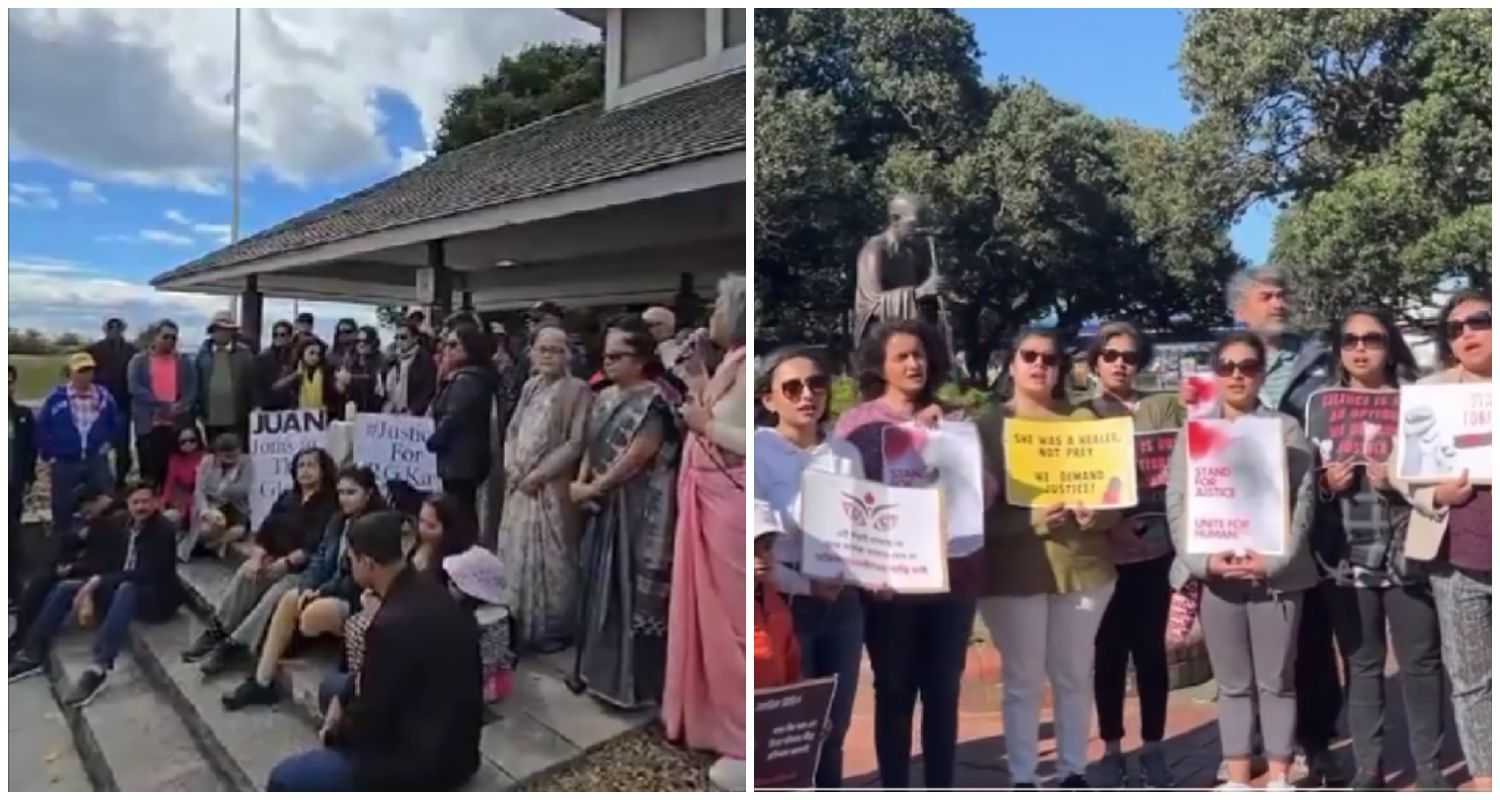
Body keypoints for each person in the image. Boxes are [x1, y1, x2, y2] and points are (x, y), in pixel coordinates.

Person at [1166, 331, 1319, 791]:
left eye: (1248, 366)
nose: (1237, 375)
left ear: (1259, 373)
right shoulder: (1194, 435)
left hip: (1275, 577)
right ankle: (1235, 777)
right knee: (1231, 684)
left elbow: (1303, 503)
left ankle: (1278, 775)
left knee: (1277, 681)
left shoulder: (1287, 432)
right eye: (1228, 366)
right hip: (1216, 577)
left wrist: (1273, 562)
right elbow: (1177, 501)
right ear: (1216, 374)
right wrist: (1201, 562)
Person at [836, 320, 981, 789]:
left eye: (919, 354)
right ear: (881, 366)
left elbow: (985, 495)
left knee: (943, 692)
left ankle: (941, 786)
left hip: (951, 580)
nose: (913, 364)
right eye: (901, 357)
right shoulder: (857, 424)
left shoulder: (956, 421)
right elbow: (844, 500)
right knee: (893, 691)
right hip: (890, 587)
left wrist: (945, 444)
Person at [974, 328, 1120, 789]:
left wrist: (1098, 514)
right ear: (1011, 362)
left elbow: (1119, 501)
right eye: (1030, 356)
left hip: (1083, 571)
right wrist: (1032, 520)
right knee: (1022, 680)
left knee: (1074, 674)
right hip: (1012, 572)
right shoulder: (985, 426)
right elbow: (970, 516)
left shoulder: (1087, 422)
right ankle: (1022, 777)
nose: (1040, 365)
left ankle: (1073, 770)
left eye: (1050, 359)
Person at [1312, 308, 1446, 789]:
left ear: (1391, 346)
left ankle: (1430, 768)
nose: (1361, 348)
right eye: (1350, 340)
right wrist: (1327, 482)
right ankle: (1369, 769)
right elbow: (1307, 484)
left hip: (1411, 546)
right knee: (1363, 664)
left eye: (1372, 338)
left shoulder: (1420, 402)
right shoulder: (1321, 405)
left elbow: (1440, 469)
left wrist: (1401, 480)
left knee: (1421, 663)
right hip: (1347, 552)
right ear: (1339, 349)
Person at [1221, 266, 1342, 785]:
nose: (1279, 302)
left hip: (1303, 526)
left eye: (1282, 293)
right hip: (1235, 528)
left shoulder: (1320, 362)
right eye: (1266, 295)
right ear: (1238, 309)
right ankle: (1246, 752)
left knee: (1311, 641)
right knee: (1241, 649)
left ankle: (1317, 744)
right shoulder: (1218, 368)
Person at [266, 510, 483, 791]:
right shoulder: (427, 589)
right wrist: (342, 701)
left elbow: (371, 719)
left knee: (284, 779)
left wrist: (334, 733)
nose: (350, 566)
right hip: (449, 732)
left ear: (367, 563)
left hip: (426, 765)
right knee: (332, 688)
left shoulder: (389, 625)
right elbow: (371, 679)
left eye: (351, 560)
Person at [1391, 288, 1491, 791]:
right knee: (1471, 677)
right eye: (1455, 329)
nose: (1467, 334)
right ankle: (1483, 773)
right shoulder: (1430, 393)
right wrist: (1435, 494)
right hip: (1456, 559)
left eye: (1479, 321)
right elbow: (1401, 471)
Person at [753, 345, 865, 788]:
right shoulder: (758, 450)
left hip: (843, 604)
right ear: (769, 399)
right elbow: (757, 533)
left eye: (817, 384)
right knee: (786, 731)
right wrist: (803, 582)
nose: (807, 395)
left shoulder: (846, 455)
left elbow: (862, 529)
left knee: (833, 726)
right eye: (792, 387)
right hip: (785, 603)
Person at [1084, 322, 1186, 788]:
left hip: (1156, 546)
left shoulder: (1164, 405)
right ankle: (1111, 748)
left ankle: (1154, 746)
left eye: (1128, 355)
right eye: (1110, 355)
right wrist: (1109, 525)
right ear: (1095, 361)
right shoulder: (1080, 413)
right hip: (1105, 552)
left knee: (1150, 654)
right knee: (1107, 654)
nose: (1120, 362)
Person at [568, 315, 682, 708]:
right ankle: (591, 671)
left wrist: (591, 488)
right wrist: (583, 484)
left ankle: (629, 685)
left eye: (618, 356)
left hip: (638, 508)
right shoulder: (603, 396)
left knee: (627, 591)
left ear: (641, 358)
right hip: (601, 505)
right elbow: (589, 444)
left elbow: (637, 456)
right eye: (606, 356)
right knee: (595, 583)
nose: (609, 363)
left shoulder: (655, 400)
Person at [664, 274, 748, 780]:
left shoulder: (747, 364)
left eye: (718, 303)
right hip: (706, 498)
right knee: (706, 612)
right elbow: (709, 409)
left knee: (727, 621)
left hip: (726, 509)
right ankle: (709, 718)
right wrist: (696, 375)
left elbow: (734, 435)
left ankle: (737, 730)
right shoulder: (730, 363)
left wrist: (702, 424)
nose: (712, 312)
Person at [223, 466, 386, 711]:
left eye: (351, 492)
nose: (344, 498)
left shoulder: (377, 527)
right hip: (329, 589)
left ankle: (300, 640)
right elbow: (320, 560)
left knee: (310, 615)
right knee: (291, 597)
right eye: (341, 492)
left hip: (359, 599)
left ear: (369, 493)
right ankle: (262, 681)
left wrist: (322, 591)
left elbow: (355, 578)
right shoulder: (337, 520)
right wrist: (310, 585)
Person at [9, 481, 183, 707]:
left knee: (126, 588)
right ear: (128, 504)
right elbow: (104, 559)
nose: (141, 507)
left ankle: (98, 667)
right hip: (121, 587)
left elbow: (146, 574)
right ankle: (32, 652)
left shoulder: (163, 530)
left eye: (146, 501)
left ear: (157, 502)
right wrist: (91, 585)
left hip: (157, 597)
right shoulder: (123, 524)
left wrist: (98, 582)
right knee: (65, 587)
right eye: (136, 502)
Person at [185, 447, 338, 675]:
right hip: (275, 559)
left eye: (311, 465)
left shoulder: (330, 504)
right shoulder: (288, 497)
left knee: (278, 593)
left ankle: (235, 645)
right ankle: (219, 629)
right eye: (301, 465)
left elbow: (314, 546)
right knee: (246, 574)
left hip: (304, 571)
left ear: (323, 470)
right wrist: (257, 557)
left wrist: (286, 564)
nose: (305, 471)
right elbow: (265, 532)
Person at [499, 325, 592, 652]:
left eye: (557, 349)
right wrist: (511, 466)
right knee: (515, 551)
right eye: (543, 349)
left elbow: (576, 442)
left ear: (568, 354)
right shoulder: (530, 387)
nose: (550, 355)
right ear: (532, 353)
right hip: (518, 486)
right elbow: (512, 430)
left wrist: (538, 475)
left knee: (554, 560)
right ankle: (517, 623)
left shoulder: (577, 390)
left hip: (549, 490)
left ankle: (552, 631)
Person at [11, 488, 119, 654]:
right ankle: (21, 635)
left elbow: (104, 560)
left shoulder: (110, 521)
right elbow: (69, 542)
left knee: (57, 586)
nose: (87, 514)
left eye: (89, 509)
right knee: (40, 580)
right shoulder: (92, 521)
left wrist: (73, 567)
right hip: (85, 565)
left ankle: (30, 646)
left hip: (101, 573)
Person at [38, 352, 123, 535]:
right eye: (81, 370)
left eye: (89, 370)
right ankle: (63, 550)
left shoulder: (104, 396)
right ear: (71, 373)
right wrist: (49, 453)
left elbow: (116, 422)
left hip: (95, 458)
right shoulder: (56, 398)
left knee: (106, 498)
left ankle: (95, 542)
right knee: (62, 507)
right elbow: (43, 427)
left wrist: (109, 442)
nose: (86, 375)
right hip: (65, 461)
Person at [426, 322, 499, 517]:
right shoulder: (470, 377)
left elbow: (454, 417)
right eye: (445, 344)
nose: (446, 350)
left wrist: (434, 440)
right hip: (463, 459)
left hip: (460, 461)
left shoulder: (467, 380)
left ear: (469, 348)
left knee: (459, 511)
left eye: (453, 345)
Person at [128, 320, 198, 489]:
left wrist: (182, 405)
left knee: (174, 468)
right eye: (165, 337)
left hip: (176, 423)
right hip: (149, 423)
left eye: (173, 338)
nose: (169, 341)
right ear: (155, 337)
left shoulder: (184, 361)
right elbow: (135, 387)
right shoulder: (139, 361)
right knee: (150, 471)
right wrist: (162, 405)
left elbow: (192, 387)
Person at [179, 433, 253, 562]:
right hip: (210, 504)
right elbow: (199, 490)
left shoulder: (246, 461)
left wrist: (223, 489)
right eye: (226, 457)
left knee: (239, 530)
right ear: (217, 454)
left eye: (234, 456)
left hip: (235, 506)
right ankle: (195, 543)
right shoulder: (207, 462)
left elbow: (244, 488)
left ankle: (213, 545)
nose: (231, 461)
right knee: (207, 528)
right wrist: (205, 511)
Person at [751, 500, 801, 690]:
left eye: (768, 546)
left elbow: (792, 666)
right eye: (754, 546)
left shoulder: (778, 606)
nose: (762, 555)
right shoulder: (721, 605)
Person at [87, 317, 137, 488]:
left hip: (123, 405)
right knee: (100, 445)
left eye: (118, 328)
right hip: (99, 406)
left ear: (123, 330)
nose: (114, 331)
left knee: (122, 447)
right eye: (111, 328)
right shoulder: (94, 350)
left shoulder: (131, 351)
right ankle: (99, 481)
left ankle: (120, 480)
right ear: (105, 330)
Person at [197, 311, 256, 446]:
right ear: (212, 331)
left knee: (235, 454)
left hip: (237, 419)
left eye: (227, 329)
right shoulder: (202, 354)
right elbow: (197, 383)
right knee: (214, 456)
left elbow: (252, 383)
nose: (223, 333)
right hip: (210, 419)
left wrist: (252, 408)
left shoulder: (245, 353)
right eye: (219, 329)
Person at [10, 365, 38, 607]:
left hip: (12, 486)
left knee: (11, 536)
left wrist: (29, 479)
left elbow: (30, 450)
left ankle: (12, 589)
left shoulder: (22, 414)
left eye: (9, 381)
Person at [379, 321, 437, 416]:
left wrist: (413, 410)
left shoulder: (424, 359)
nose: (399, 341)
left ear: (415, 338)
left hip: (413, 414)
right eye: (396, 338)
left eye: (403, 337)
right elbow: (383, 384)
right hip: (391, 412)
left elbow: (427, 390)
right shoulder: (392, 358)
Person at [275, 337, 338, 418]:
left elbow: (333, 396)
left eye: (318, 354)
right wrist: (296, 375)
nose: (315, 357)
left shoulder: (325, 371)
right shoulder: (290, 370)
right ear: (302, 352)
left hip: (321, 419)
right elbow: (276, 389)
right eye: (311, 353)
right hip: (297, 419)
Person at [160, 425, 206, 531]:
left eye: (192, 440)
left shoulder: (206, 458)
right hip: (182, 501)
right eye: (183, 441)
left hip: (203, 501)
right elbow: (170, 482)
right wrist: (164, 502)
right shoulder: (174, 459)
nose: (188, 444)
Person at [334, 326, 384, 415]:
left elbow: (376, 380)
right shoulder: (349, 359)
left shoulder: (381, 359)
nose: (361, 344)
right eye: (358, 341)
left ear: (374, 342)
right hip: (351, 410)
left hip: (373, 411)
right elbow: (340, 384)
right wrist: (339, 384)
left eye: (366, 341)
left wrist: (351, 379)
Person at [254, 320, 298, 412]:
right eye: (275, 334)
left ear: (290, 337)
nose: (278, 337)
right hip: (269, 406)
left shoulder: (295, 355)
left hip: (290, 406)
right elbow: (264, 386)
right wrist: (295, 375)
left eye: (282, 335)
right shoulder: (264, 357)